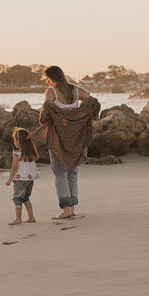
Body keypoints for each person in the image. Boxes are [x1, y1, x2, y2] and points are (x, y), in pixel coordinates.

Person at [38, 65, 101, 219]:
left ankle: (66, 209)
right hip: (76, 136)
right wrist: (82, 115)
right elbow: (93, 102)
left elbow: (47, 106)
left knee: (59, 173)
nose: (46, 82)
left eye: (47, 79)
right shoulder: (76, 90)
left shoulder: (51, 91)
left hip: (58, 136)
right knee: (72, 172)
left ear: (51, 78)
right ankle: (72, 208)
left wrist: (45, 119)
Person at [5, 127, 39, 225]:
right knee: (25, 198)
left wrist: (9, 179)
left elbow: (14, 167)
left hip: (20, 179)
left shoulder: (17, 153)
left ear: (19, 141)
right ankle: (31, 217)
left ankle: (18, 218)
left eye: (15, 139)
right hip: (30, 179)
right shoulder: (31, 152)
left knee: (17, 198)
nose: (14, 142)